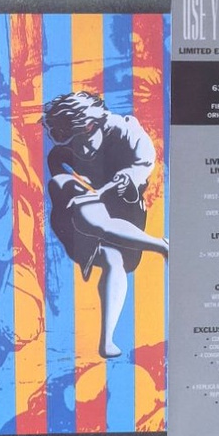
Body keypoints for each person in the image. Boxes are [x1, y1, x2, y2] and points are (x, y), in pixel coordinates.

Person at [42, 91, 168, 358]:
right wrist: (81, 191)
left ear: (93, 124)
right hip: (79, 213)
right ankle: (161, 245)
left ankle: (107, 341)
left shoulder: (126, 130)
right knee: (89, 217)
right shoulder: (60, 153)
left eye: (84, 138)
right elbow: (64, 182)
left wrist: (127, 178)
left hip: (126, 209)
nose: (81, 149)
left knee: (114, 260)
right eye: (72, 141)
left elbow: (145, 162)